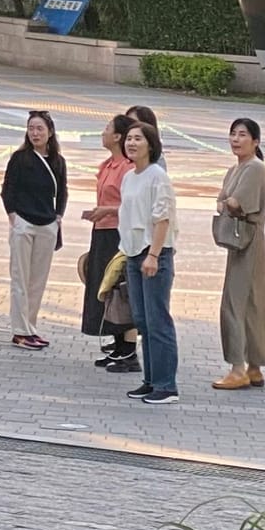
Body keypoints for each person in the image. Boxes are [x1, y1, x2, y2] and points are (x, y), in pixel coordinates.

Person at [214, 114, 265, 389]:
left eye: (242, 134)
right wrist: (225, 202)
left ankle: (238, 367)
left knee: (235, 303)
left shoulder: (254, 168)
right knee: (254, 304)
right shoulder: (236, 169)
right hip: (241, 242)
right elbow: (223, 201)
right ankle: (254, 366)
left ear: (255, 141)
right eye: (233, 134)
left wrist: (227, 203)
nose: (236, 139)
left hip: (249, 241)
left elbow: (235, 203)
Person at [119, 111, 179, 403]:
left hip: (153, 254)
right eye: (129, 138)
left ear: (151, 144)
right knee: (142, 320)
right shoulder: (129, 177)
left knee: (158, 320)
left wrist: (153, 255)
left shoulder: (158, 177)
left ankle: (166, 385)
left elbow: (162, 219)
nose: (131, 143)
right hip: (132, 254)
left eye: (138, 138)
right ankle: (151, 379)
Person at [0, 107, 67, 349]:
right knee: (20, 278)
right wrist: (13, 217)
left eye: (39, 128)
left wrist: (58, 217)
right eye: (31, 128)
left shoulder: (58, 161)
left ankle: (30, 326)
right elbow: (8, 189)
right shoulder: (20, 159)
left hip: (47, 225)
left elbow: (62, 192)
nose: (34, 133)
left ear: (50, 132)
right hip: (24, 224)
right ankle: (20, 331)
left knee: (37, 281)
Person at [80, 112, 140, 373]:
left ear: (117, 136)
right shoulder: (107, 165)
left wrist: (107, 210)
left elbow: (130, 205)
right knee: (105, 288)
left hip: (118, 233)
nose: (102, 132)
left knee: (120, 289)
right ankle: (116, 345)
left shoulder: (128, 168)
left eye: (107, 128)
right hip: (101, 231)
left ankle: (129, 352)